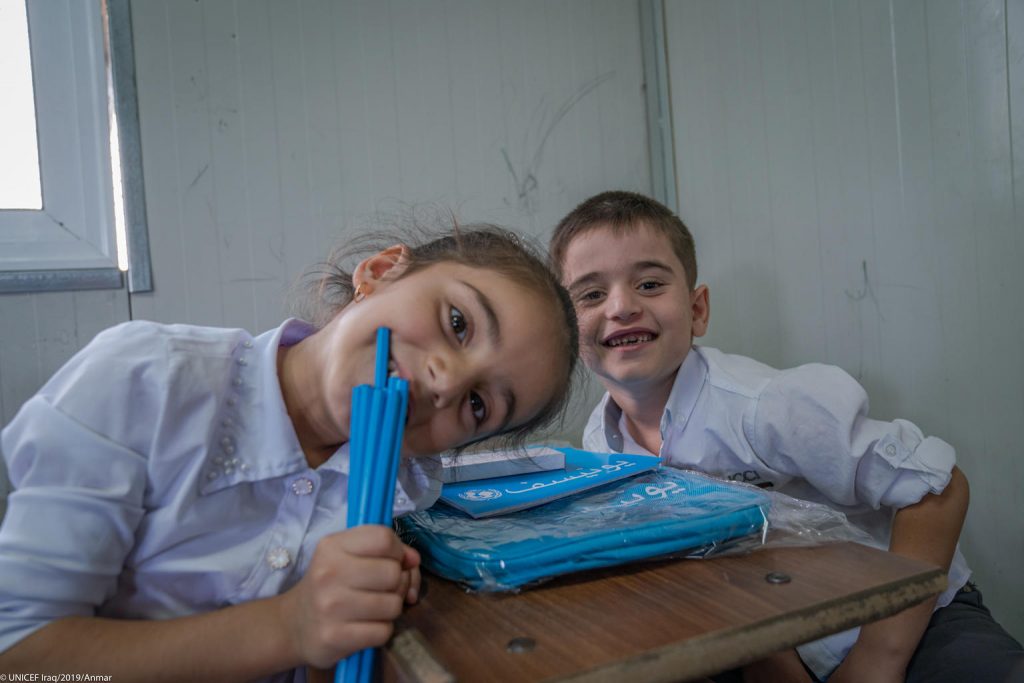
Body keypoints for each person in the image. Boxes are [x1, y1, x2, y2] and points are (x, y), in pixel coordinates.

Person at [0, 223, 579, 682]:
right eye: (457, 322)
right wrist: (289, 626)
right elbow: (20, 661)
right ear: (380, 272)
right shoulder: (144, 381)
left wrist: (354, 614)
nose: (446, 382)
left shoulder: (399, 486)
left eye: (478, 406)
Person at [549, 190, 1023, 683]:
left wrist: (877, 661)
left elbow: (937, 492)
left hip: (911, 626)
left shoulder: (767, 407)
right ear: (566, 332)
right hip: (768, 643)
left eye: (649, 283)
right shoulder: (601, 450)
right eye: (591, 295)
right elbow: (704, 573)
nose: (622, 306)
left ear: (697, 311)